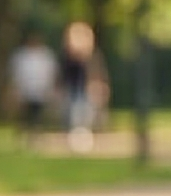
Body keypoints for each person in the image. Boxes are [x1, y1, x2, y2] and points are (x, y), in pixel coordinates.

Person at [59, 21, 105, 152]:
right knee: (72, 113)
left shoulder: (91, 58)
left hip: (84, 91)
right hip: (72, 90)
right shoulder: (67, 59)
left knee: (83, 114)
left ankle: (82, 139)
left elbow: (96, 74)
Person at [9, 30, 55, 144]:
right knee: (23, 117)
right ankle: (22, 137)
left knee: (37, 117)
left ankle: (35, 138)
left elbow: (50, 74)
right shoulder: (21, 56)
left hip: (39, 91)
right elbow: (15, 74)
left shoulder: (46, 55)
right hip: (25, 91)